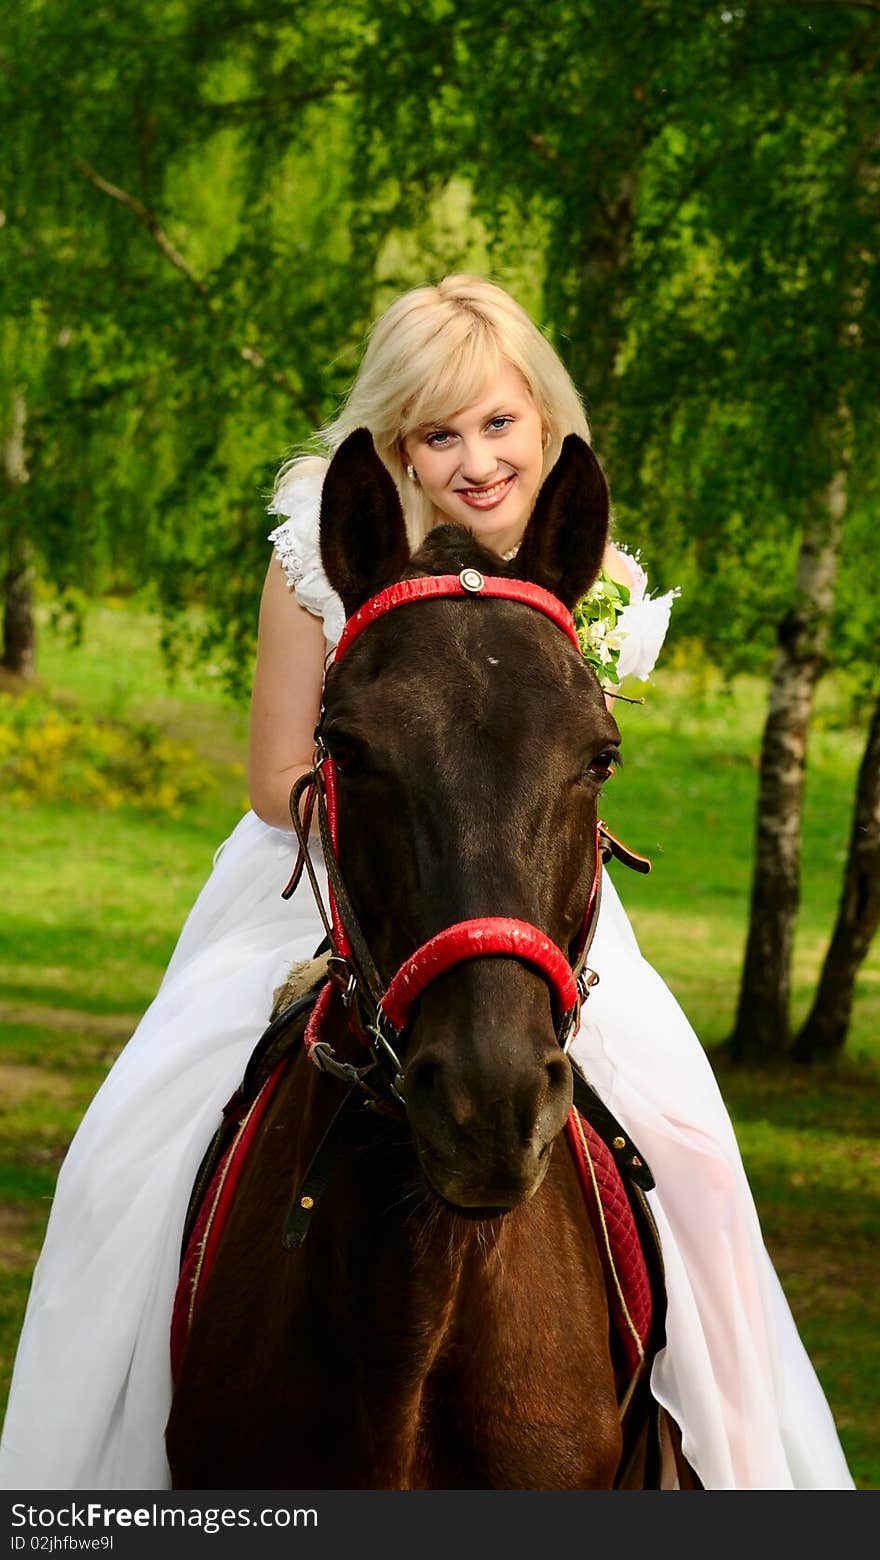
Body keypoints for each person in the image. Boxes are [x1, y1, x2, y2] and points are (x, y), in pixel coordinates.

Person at [0, 275, 854, 1492]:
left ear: (542, 420)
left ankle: (718, 1454)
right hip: (324, 878)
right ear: (396, 444)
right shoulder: (321, 544)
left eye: (498, 424)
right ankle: (101, 1463)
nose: (475, 459)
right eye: (437, 434)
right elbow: (273, 774)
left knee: (697, 1153)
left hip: (521, 893)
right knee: (128, 1152)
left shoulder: (587, 567)